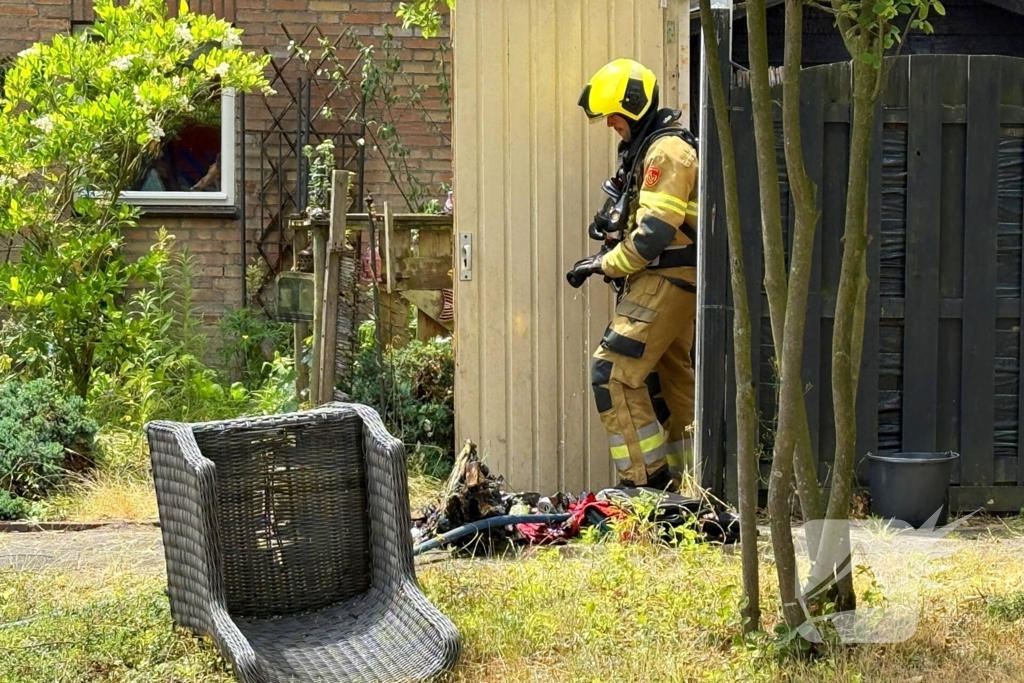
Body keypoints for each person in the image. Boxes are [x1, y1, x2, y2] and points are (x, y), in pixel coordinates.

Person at [567, 58, 699, 491]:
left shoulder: (667, 151)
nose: (610, 124)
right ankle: (691, 483)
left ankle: (645, 484)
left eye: (615, 115)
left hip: (666, 280)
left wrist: (604, 263)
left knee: (612, 373)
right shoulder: (653, 149)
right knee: (672, 380)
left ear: (635, 107)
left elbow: (654, 235)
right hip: (674, 281)